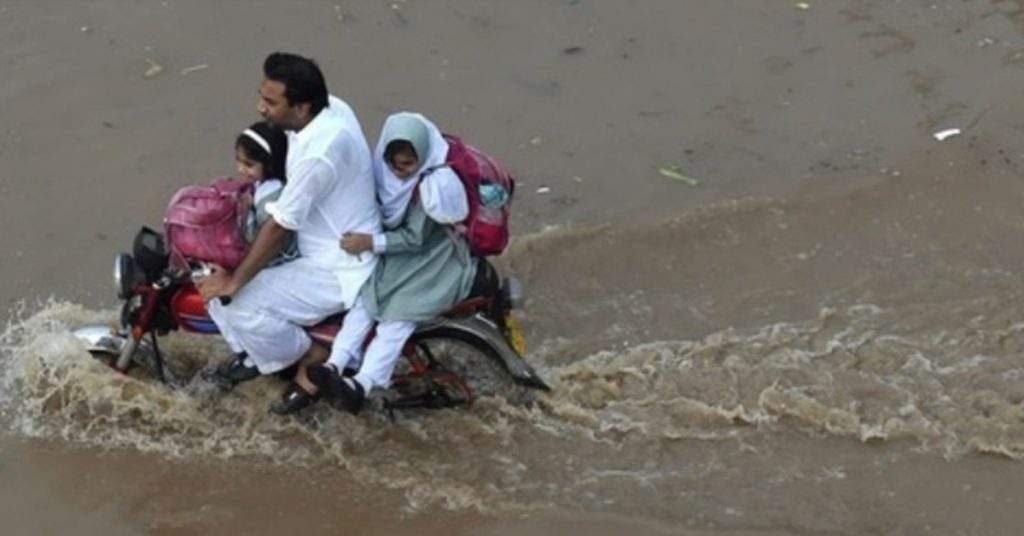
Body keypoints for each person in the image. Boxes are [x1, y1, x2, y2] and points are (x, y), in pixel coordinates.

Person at [198, 53, 380, 414]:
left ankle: (309, 355)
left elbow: (281, 225)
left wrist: (234, 282)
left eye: (271, 102)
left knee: (233, 304)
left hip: (336, 267)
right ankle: (259, 354)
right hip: (329, 240)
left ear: (301, 107)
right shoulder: (331, 109)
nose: (260, 107)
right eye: (261, 96)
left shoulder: (320, 153)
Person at [308, 112, 477, 414]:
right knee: (363, 306)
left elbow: (415, 238)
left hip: (431, 264)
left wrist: (369, 242)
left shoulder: (429, 188)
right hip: (398, 260)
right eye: (394, 165)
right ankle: (335, 363)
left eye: (407, 165)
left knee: (395, 322)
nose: (399, 173)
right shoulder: (384, 177)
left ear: (421, 159)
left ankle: (363, 383)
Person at [234, 121, 297, 266]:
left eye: (249, 164)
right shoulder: (270, 184)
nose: (240, 169)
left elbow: (255, 239)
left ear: (270, 164)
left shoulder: (269, 199)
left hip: (276, 263)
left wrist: (248, 209)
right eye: (239, 161)